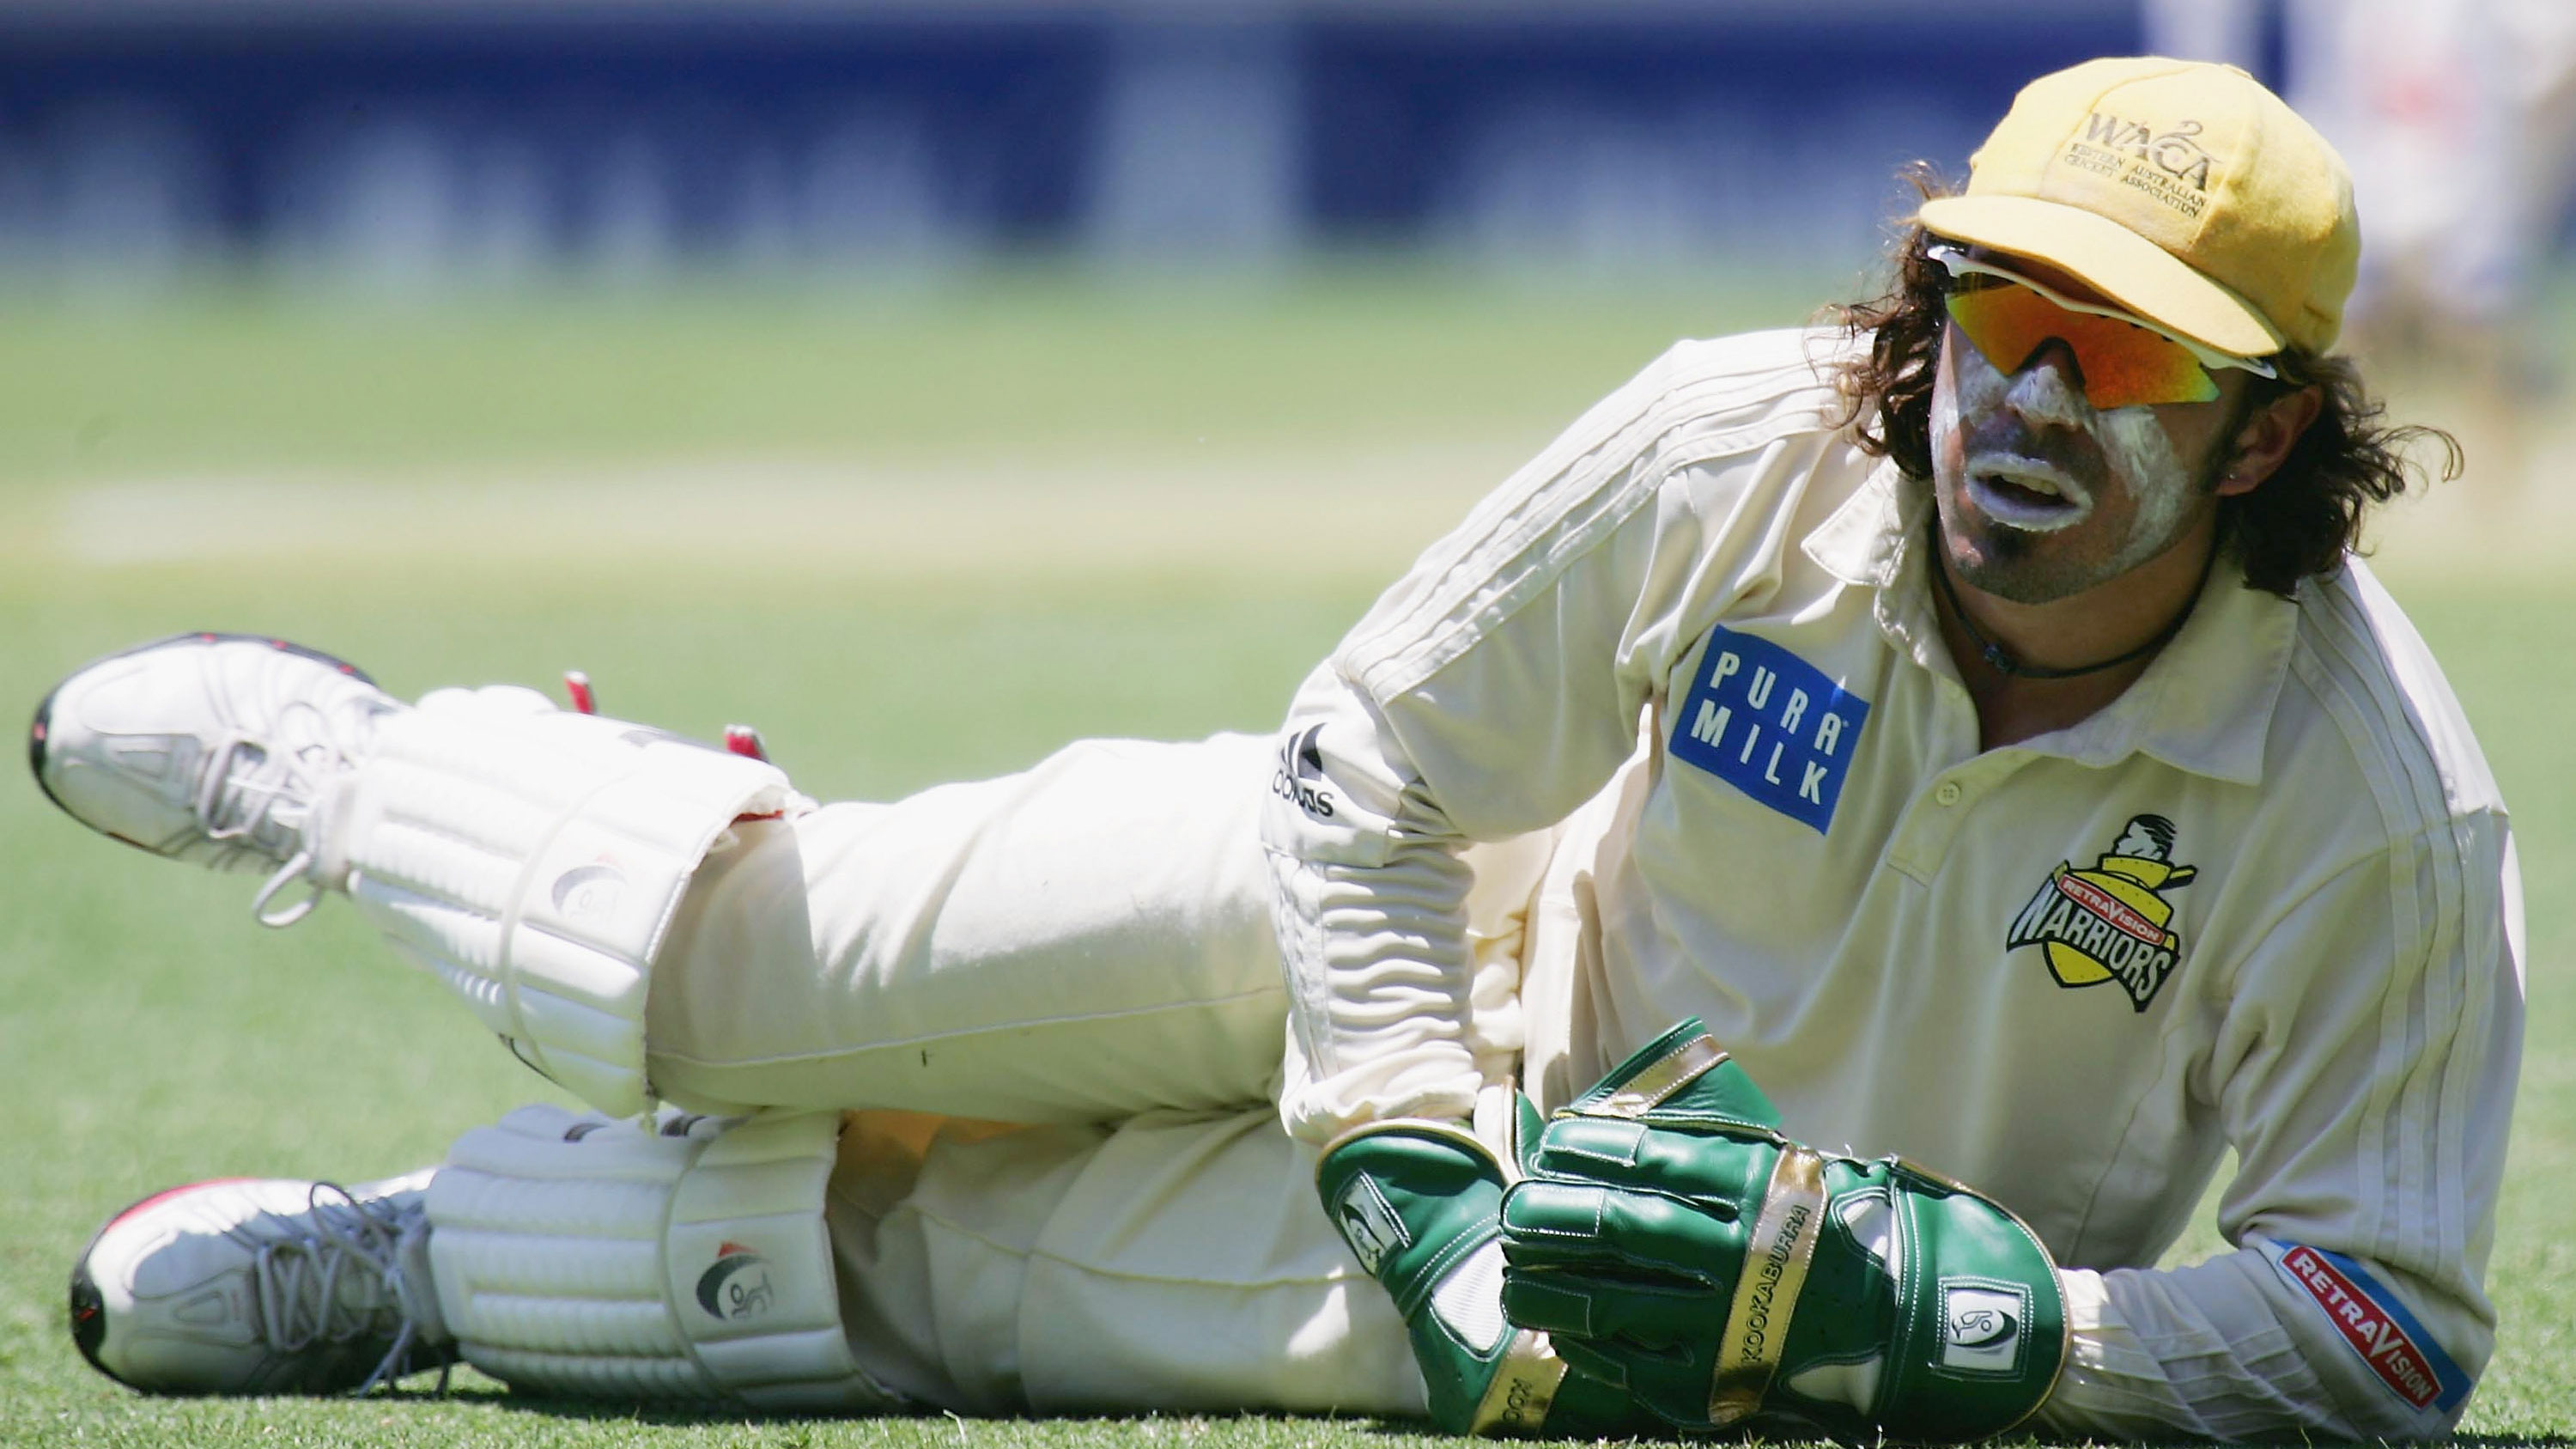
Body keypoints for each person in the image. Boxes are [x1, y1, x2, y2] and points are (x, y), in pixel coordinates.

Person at [34, 57, 2520, 1444]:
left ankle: (422, 1274)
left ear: (2276, 430)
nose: (2031, 404)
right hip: (1425, 922)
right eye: (2005, 316)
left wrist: (1985, 1318)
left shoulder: (2373, 804)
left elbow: (2392, 1324)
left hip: (1677, 1293)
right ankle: (365, 788)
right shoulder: (1733, 454)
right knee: (787, 966)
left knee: (950, 1281)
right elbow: (1360, 779)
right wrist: (1414, 1155)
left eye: (2135, 364)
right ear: (1930, 303)